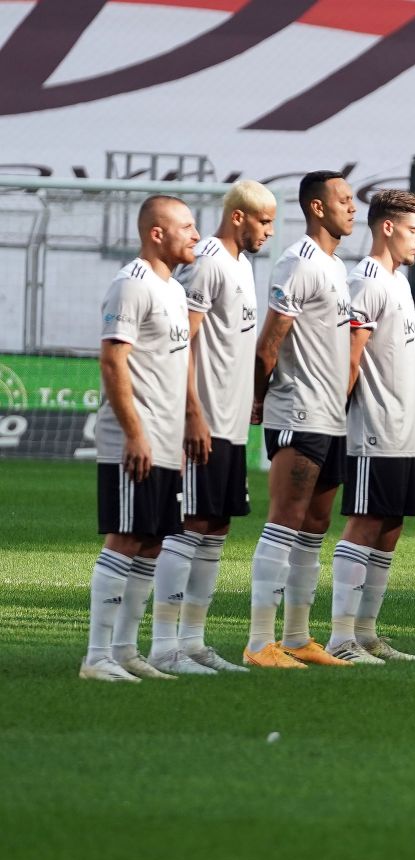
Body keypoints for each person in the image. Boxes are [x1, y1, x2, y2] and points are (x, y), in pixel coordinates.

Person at [147, 181, 274, 675]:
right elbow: (185, 341)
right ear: (239, 217)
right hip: (203, 422)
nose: (269, 231)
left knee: (216, 528)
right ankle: (164, 647)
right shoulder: (208, 261)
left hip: (231, 424)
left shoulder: (242, 265)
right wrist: (191, 413)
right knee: (191, 525)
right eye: (263, 221)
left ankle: (194, 643)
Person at [81, 195, 199, 682]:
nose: (195, 235)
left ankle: (126, 651)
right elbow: (112, 360)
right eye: (187, 227)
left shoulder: (171, 288)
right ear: (157, 233)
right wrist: (135, 434)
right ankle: (96, 656)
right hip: (137, 439)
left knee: (152, 541)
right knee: (126, 538)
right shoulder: (131, 285)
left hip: (167, 440)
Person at [246, 171, 358, 668]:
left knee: (315, 524)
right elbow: (270, 341)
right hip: (298, 409)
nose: (352, 209)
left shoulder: (335, 266)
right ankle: (258, 641)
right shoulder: (298, 262)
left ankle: (296, 637)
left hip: (333, 416)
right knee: (286, 519)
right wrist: (257, 399)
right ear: (317, 208)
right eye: (343, 200)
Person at [326, 190, 415, 664]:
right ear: (387, 227)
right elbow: (350, 357)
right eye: (414, 230)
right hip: (371, 427)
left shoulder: (398, 283)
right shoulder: (364, 281)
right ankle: (340, 638)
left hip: (400, 431)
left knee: (390, 526)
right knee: (364, 523)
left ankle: (366, 634)